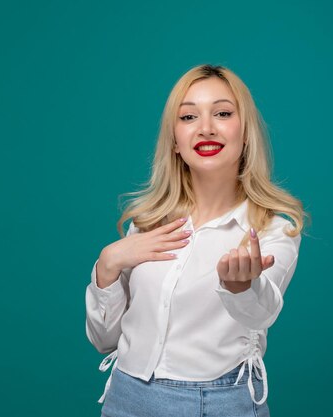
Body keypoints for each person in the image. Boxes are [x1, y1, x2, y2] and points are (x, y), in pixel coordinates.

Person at [85, 64, 307, 417]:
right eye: (188, 117)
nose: (206, 128)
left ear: (245, 131)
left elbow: (262, 313)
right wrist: (108, 264)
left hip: (219, 403)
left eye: (222, 113)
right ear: (174, 140)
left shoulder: (272, 230)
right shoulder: (145, 224)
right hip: (125, 398)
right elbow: (104, 340)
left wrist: (241, 286)